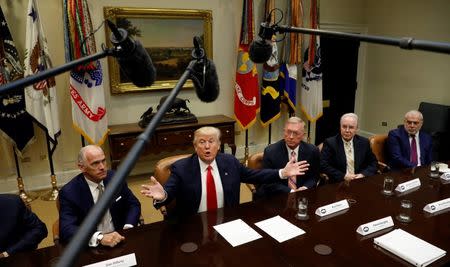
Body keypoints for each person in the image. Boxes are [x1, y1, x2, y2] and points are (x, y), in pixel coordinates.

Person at [141, 126, 309, 219]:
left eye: (211, 141)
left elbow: (254, 175)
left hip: (228, 220)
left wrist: (282, 173)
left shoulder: (229, 162)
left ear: (219, 144)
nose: (207, 146)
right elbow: (168, 193)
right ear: (195, 146)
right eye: (202, 142)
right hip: (193, 224)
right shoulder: (181, 168)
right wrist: (162, 196)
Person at [59, 145, 141, 247]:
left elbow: (133, 204)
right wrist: (99, 238)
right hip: (92, 245)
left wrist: (128, 227)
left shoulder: (116, 178)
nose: (102, 167)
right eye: (95, 163)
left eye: (103, 161)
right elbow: (67, 228)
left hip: (120, 237)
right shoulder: (69, 192)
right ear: (81, 167)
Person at [255, 117, 320, 199]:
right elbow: (268, 181)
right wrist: (291, 192)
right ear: (284, 131)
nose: (291, 137)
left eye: (296, 133)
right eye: (288, 132)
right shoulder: (270, 151)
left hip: (303, 196)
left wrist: (305, 188)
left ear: (303, 135)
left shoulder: (312, 151)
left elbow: (314, 177)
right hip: (277, 196)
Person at [320, 113, 377, 183]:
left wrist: (363, 175)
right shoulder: (330, 143)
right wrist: (343, 176)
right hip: (338, 182)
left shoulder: (364, 142)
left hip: (360, 181)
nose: (347, 130)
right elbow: (323, 165)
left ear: (356, 129)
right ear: (340, 127)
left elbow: (373, 163)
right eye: (344, 126)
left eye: (351, 127)